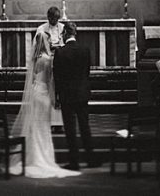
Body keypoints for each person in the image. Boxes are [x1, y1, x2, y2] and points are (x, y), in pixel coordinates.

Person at [11, 31, 80, 178]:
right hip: (43, 95)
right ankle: (43, 158)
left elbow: (32, 81)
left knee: (35, 126)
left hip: (35, 92)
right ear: (45, 42)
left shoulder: (35, 59)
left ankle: (32, 156)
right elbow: (50, 81)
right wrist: (55, 99)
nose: (50, 43)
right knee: (43, 127)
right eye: (49, 41)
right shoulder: (48, 59)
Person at [53, 21, 96, 169]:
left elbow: (57, 76)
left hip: (67, 94)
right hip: (82, 93)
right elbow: (87, 72)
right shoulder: (85, 50)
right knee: (85, 126)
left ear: (65, 33)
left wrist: (57, 96)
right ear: (75, 33)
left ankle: (74, 162)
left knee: (70, 129)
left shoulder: (60, 52)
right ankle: (91, 159)